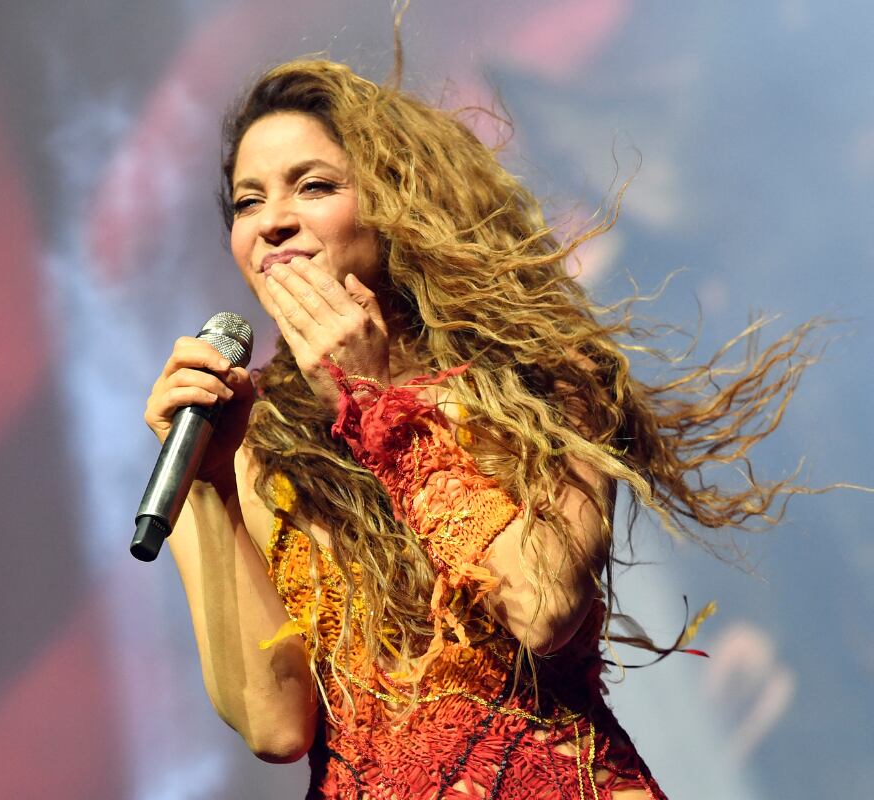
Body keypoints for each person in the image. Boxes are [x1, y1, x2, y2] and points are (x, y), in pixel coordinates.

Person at [143, 56, 818, 799]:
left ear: (393, 201)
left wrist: (377, 402)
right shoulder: (241, 441)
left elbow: (542, 605)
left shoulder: (541, 374)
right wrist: (209, 488)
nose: (272, 221)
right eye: (248, 201)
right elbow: (275, 728)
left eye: (314, 186)